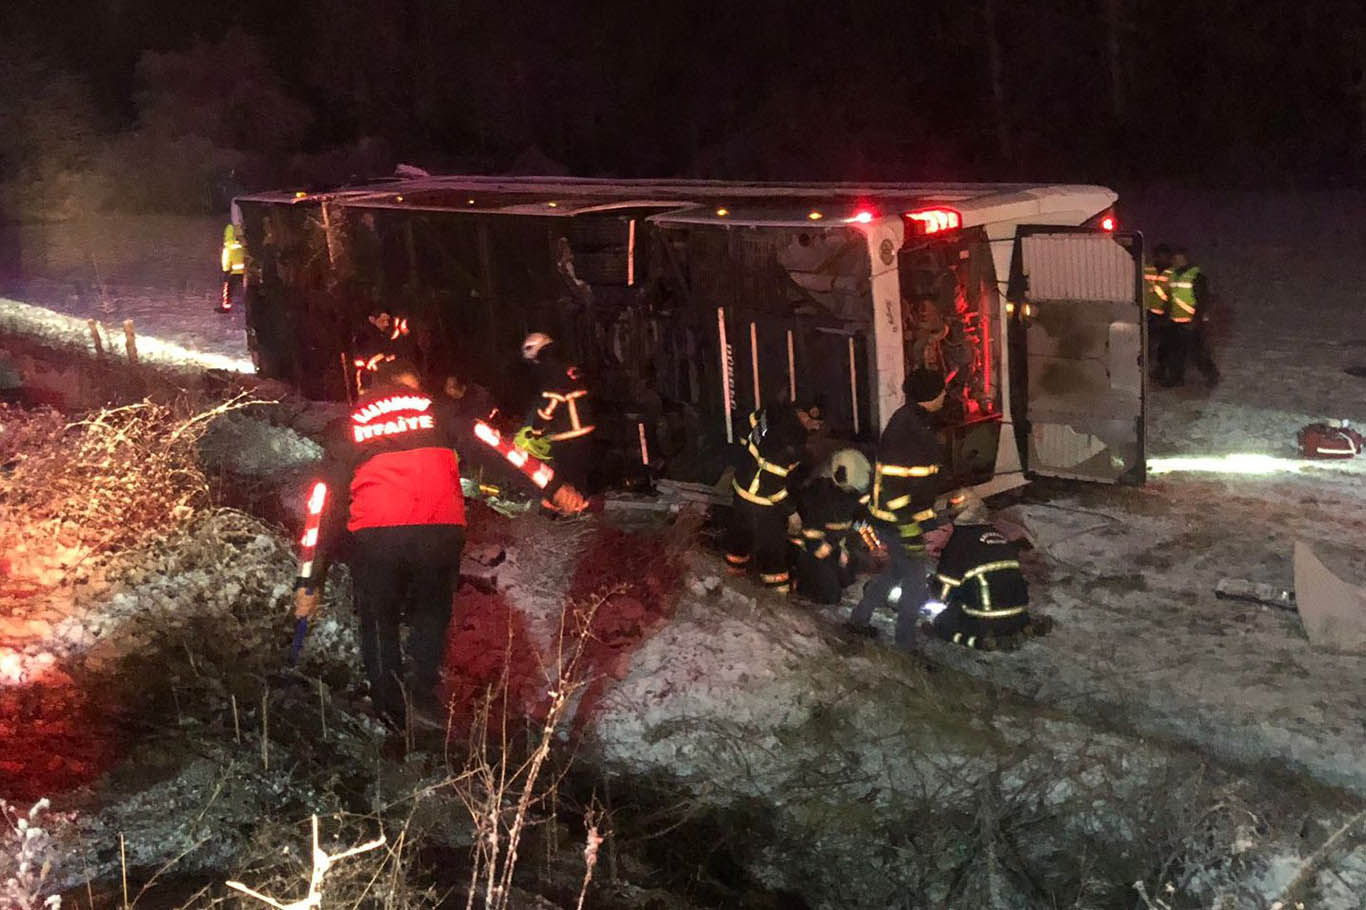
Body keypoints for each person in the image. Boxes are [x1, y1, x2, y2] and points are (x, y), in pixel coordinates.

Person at [292, 358, 584, 730]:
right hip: (439, 532)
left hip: (377, 535)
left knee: (378, 618)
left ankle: (389, 709)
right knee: (430, 615)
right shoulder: (440, 412)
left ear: (373, 387)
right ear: (411, 386)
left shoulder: (350, 426)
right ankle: (424, 701)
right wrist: (553, 486)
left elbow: (323, 504)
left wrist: (308, 581)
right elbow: (499, 448)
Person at [846, 369, 946, 646]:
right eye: (942, 391)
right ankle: (905, 647)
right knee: (914, 586)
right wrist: (911, 529)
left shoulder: (914, 422)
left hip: (900, 520)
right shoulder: (908, 430)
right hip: (898, 523)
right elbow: (894, 487)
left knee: (894, 573)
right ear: (931, 395)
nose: (945, 395)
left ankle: (857, 621)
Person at [921, 493, 1047, 650]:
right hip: (1020, 610)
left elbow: (942, 593)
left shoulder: (958, 544)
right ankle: (1024, 628)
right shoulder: (997, 534)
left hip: (985, 617)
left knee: (942, 624)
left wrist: (930, 585)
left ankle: (981, 642)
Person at [725, 403, 809, 594]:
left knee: (740, 539)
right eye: (814, 423)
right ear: (803, 415)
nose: (816, 428)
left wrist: (751, 461)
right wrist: (791, 512)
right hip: (761, 502)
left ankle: (732, 578)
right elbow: (772, 484)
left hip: (741, 488)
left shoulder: (771, 412)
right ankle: (777, 596)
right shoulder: (792, 441)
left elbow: (742, 430)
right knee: (772, 550)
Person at [791, 448, 870, 604]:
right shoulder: (820, 497)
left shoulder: (854, 493)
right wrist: (835, 550)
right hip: (813, 549)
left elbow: (858, 518)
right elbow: (812, 538)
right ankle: (802, 583)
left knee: (848, 578)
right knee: (829, 596)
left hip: (834, 544)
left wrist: (844, 548)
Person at [521, 332, 597, 493]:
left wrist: (536, 429)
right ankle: (583, 503)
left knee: (568, 478)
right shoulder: (567, 367)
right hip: (586, 429)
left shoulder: (550, 372)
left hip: (569, 435)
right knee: (581, 477)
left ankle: (571, 507)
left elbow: (550, 402)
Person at [1161, 247, 1220, 388]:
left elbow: (1202, 299)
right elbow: (1171, 298)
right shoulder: (1173, 275)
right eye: (1173, 259)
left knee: (1197, 353)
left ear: (1184, 259)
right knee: (1175, 352)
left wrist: (1196, 319)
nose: (1173, 261)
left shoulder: (1196, 277)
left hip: (1191, 322)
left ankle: (1212, 375)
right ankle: (1176, 378)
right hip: (1175, 321)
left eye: (1176, 258)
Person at [352, 306, 417, 395]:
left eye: (387, 321)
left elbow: (395, 351)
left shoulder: (385, 336)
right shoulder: (363, 337)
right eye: (382, 321)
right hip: (370, 382)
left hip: (387, 380)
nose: (386, 324)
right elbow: (365, 358)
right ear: (372, 320)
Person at [1143, 243, 1173, 380]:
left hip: (1164, 314)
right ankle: (1144, 370)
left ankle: (1160, 370)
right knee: (1145, 345)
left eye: (1165, 256)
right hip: (1147, 313)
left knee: (1164, 346)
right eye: (1160, 256)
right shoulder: (1146, 270)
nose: (1163, 259)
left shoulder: (1172, 273)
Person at [219, 222, 245, 313]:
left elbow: (226, 259)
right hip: (245, 270)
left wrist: (226, 270)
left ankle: (226, 307)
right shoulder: (243, 244)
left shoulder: (229, 247)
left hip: (233, 271)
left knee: (228, 290)